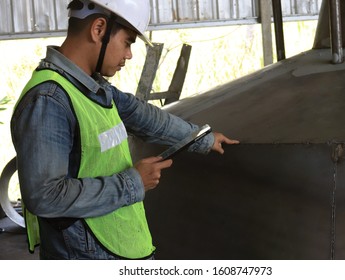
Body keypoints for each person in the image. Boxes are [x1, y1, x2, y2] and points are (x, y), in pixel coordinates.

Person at [10, 0, 239, 260]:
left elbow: (145, 117)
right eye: (128, 42)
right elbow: (45, 196)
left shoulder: (93, 89)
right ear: (98, 29)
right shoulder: (49, 99)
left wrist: (203, 139)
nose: (129, 55)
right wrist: (133, 183)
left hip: (119, 246)